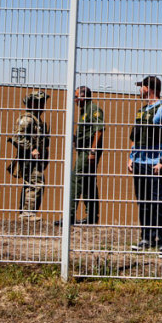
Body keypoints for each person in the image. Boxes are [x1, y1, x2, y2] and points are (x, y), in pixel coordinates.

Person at [127, 76, 162, 255]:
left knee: (157, 202)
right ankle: (147, 237)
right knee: (143, 202)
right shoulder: (142, 111)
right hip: (139, 163)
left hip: (154, 165)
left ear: (148, 88)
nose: (139, 90)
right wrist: (131, 157)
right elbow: (136, 137)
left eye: (141, 87)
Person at [55, 86, 105, 227]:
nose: (75, 100)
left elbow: (99, 130)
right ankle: (91, 217)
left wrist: (93, 150)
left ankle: (70, 216)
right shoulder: (85, 111)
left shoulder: (93, 109)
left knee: (76, 180)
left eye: (76, 96)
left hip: (87, 152)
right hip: (83, 150)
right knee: (88, 183)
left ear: (82, 97)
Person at [10, 91, 50, 222]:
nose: (42, 105)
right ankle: (27, 213)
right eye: (40, 102)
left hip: (36, 160)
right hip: (28, 158)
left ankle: (27, 212)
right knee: (35, 183)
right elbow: (17, 137)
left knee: (34, 183)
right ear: (32, 103)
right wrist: (31, 148)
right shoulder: (27, 119)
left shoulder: (37, 120)